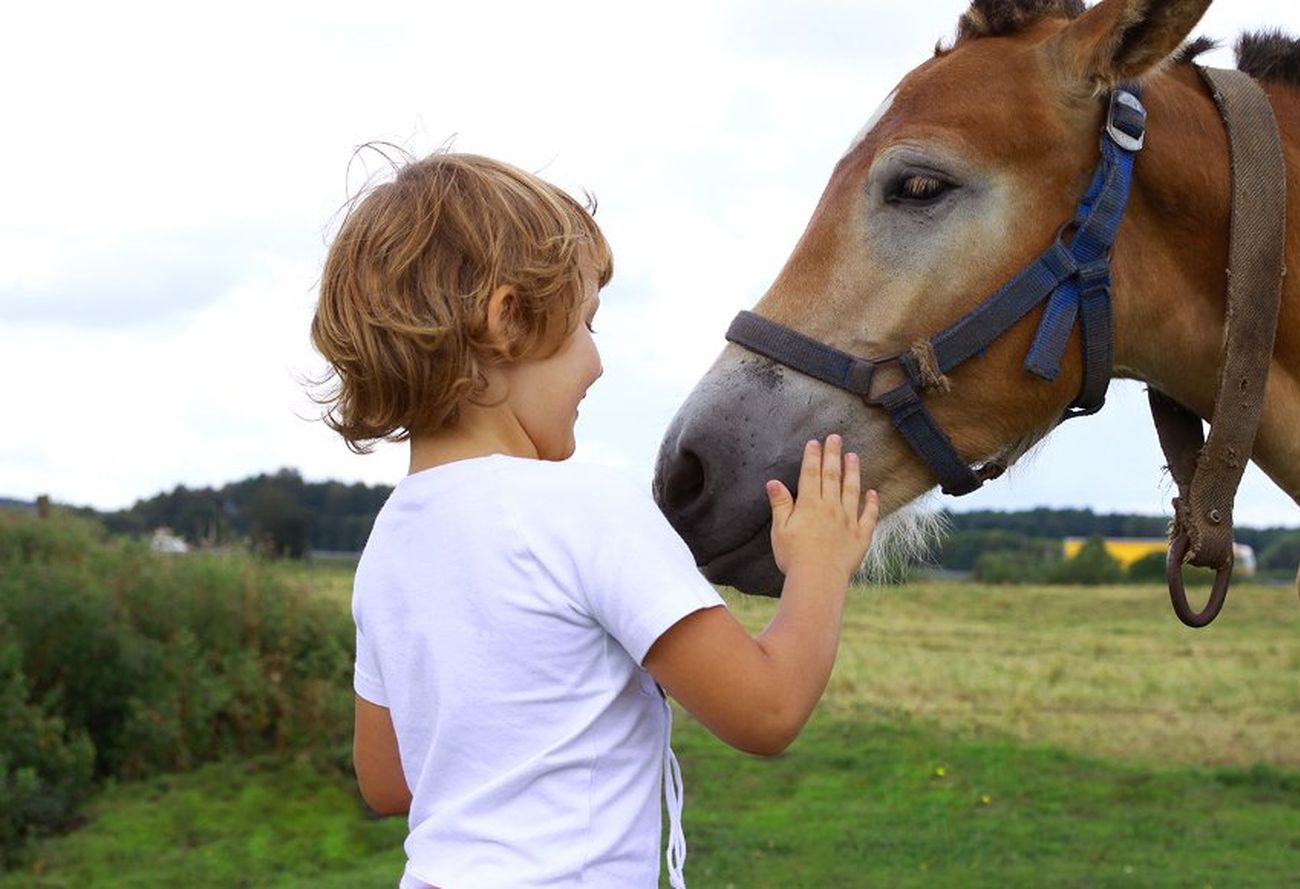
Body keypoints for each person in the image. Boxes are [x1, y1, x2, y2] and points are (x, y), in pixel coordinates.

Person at [309, 151, 878, 888]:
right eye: (584, 325)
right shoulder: (584, 507)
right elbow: (766, 710)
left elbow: (387, 778)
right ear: (507, 321)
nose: (598, 364)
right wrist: (821, 565)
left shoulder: (388, 544)